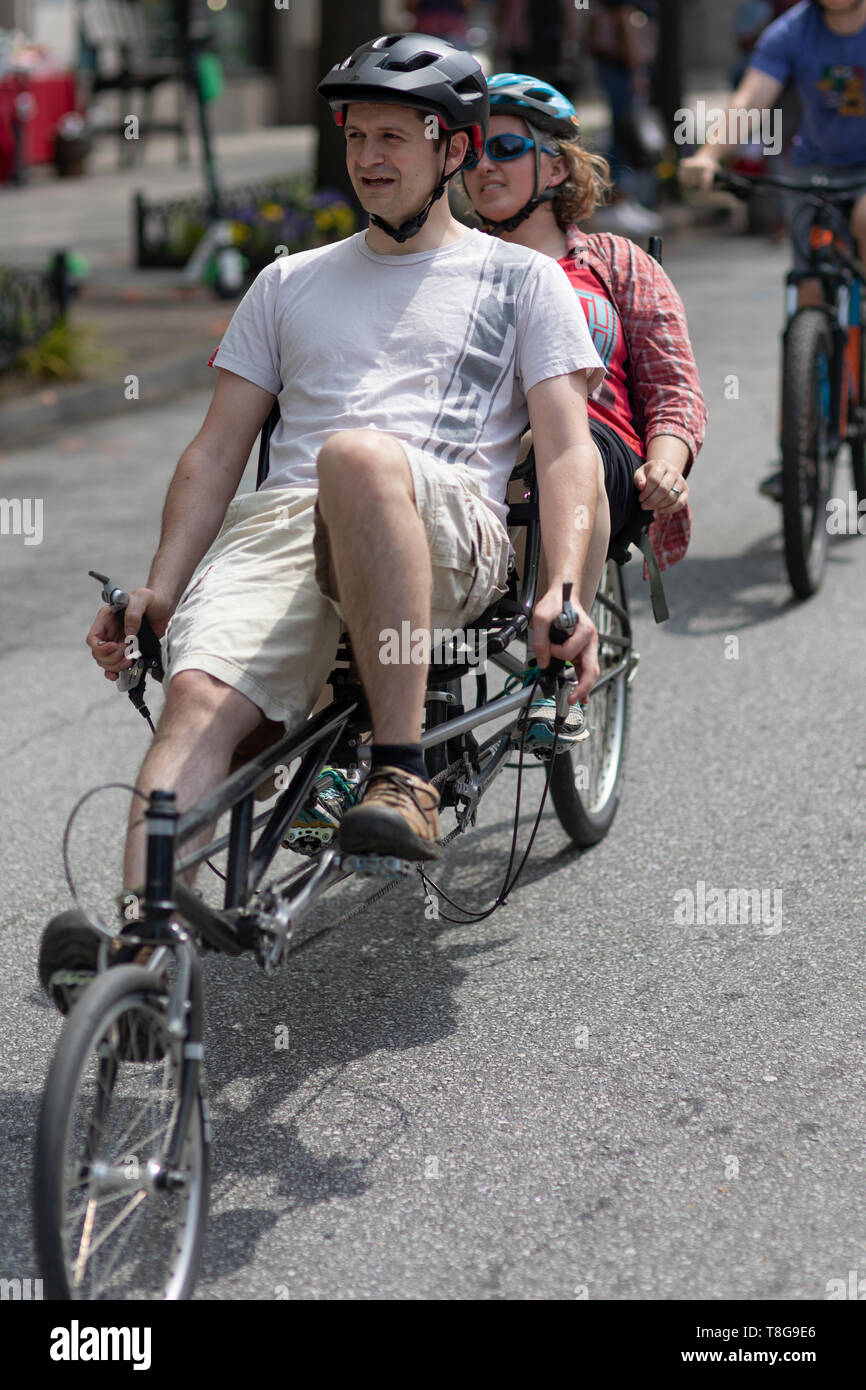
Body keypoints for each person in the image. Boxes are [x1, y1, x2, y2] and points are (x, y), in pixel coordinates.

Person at [40, 34, 609, 1007]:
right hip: (284, 532)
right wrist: (159, 591)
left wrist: (564, 590)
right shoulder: (287, 282)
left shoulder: (523, 283)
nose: (367, 158)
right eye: (355, 136)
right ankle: (140, 961)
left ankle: (402, 773)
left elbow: (566, 452)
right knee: (193, 707)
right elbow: (217, 451)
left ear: (454, 150)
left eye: (394, 136)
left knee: (354, 455)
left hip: (441, 532)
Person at [462, 72, 706, 607]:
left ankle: (561, 637)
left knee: (542, 444)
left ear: (556, 167)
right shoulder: (448, 267)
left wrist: (665, 464)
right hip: (474, 448)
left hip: (599, 452)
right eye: (472, 151)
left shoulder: (615, 261)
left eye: (504, 148)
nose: (484, 166)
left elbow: (673, 387)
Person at [679, 0, 866, 499]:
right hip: (814, 176)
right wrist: (709, 154)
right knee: (809, 299)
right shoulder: (792, 31)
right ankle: (799, 453)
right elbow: (751, 100)